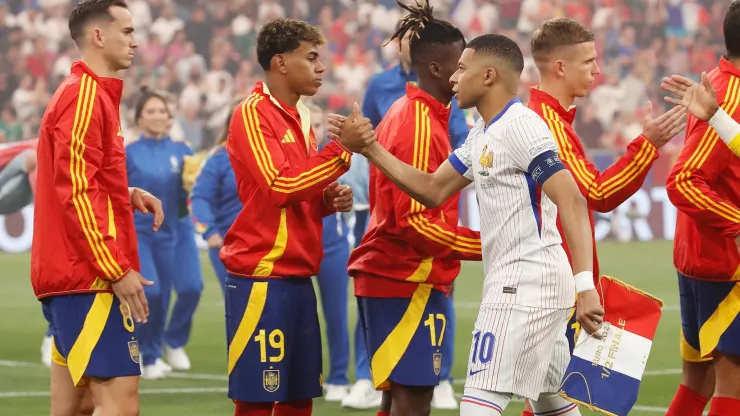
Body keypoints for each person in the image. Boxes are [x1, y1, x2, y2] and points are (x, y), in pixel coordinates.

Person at [329, 33, 604, 416]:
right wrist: (371, 148)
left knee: (478, 404)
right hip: (528, 282)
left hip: (522, 285)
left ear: (488, 75)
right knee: (551, 402)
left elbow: (571, 198)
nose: (455, 78)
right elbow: (431, 189)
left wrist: (585, 285)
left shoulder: (521, 126)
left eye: (462, 68)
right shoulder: (481, 133)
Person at [522, 18, 687, 415]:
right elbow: (597, 193)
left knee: (547, 401)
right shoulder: (548, 126)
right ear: (560, 67)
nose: (598, 70)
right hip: (553, 289)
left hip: (552, 283)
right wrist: (647, 146)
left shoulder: (551, 118)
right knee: (557, 400)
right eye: (589, 61)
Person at [221, 18, 370, 416]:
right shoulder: (252, 113)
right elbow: (278, 186)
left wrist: (325, 200)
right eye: (311, 57)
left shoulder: (301, 117)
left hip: (298, 275)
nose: (321, 67)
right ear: (280, 63)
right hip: (261, 274)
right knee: (256, 399)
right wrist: (341, 151)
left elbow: (294, 192)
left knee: (297, 397)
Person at [342, 2, 480, 415]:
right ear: (437, 69)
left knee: (399, 396)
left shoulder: (422, 113)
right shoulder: (418, 120)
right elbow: (416, 221)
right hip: (402, 275)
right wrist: (488, 247)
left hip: (405, 274)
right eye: (460, 66)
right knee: (413, 397)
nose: (463, 76)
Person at [30, 1, 164, 415]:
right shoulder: (85, 96)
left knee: (76, 406)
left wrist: (124, 192)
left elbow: (83, 179)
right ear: (98, 36)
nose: (136, 42)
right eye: (126, 32)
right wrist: (115, 269)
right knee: (120, 405)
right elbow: (75, 191)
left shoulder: (90, 94)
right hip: (87, 278)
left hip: (73, 276)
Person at [660, 3, 740, 414]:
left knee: (700, 380)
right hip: (727, 264)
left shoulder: (717, 87)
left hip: (702, 254)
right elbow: (684, 179)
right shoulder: (731, 94)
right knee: (733, 382)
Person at [125, 86, 203, 379]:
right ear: (139, 118)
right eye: (152, 111)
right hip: (141, 232)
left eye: (163, 111)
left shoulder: (183, 150)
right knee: (153, 293)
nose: (159, 116)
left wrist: (194, 184)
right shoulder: (129, 153)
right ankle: (147, 354)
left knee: (191, 288)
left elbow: (189, 194)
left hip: (175, 230)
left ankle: (171, 343)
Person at [190, 98, 243, 294]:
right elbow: (200, 198)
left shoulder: (279, 153)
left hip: (273, 245)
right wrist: (210, 232)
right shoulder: (219, 158)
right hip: (231, 246)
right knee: (243, 313)